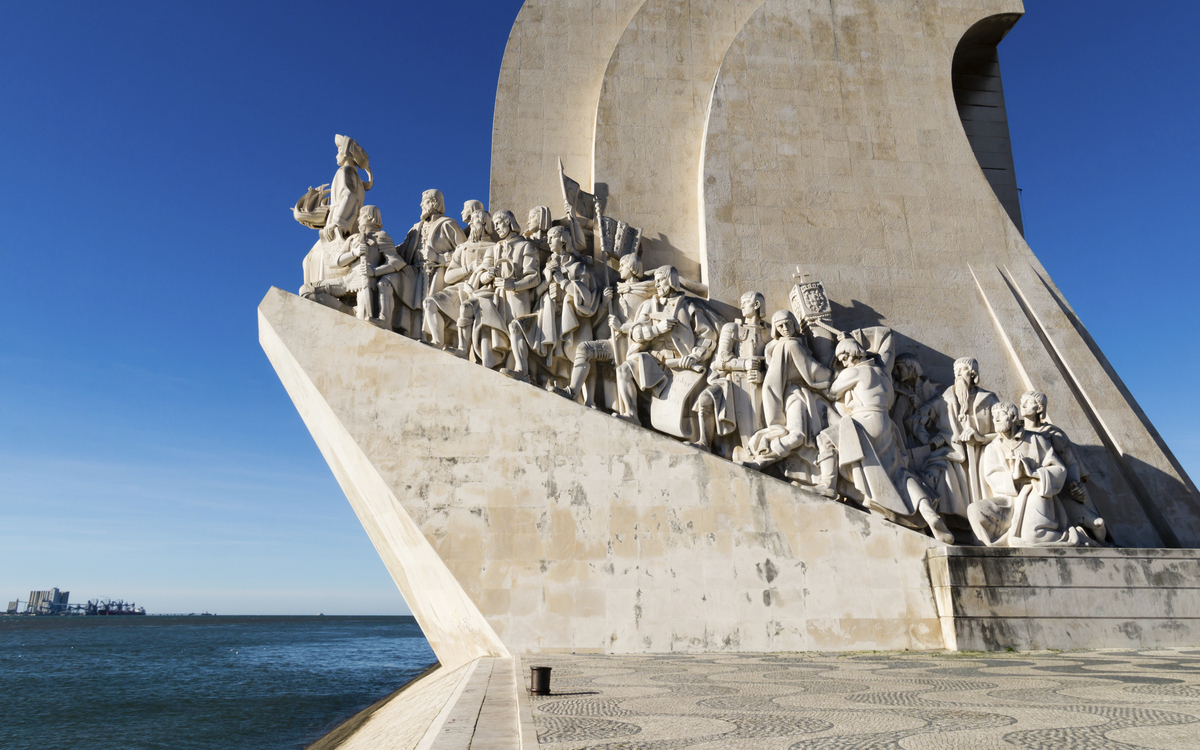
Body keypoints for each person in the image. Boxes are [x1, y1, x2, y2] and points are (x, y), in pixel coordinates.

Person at [814, 339, 954, 544]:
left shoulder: (853, 372)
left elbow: (832, 392)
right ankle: (929, 513)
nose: (843, 362)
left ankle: (828, 484)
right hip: (887, 426)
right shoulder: (883, 374)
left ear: (854, 354)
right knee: (899, 474)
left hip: (865, 421)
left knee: (825, 438)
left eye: (844, 357)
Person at [969, 401, 1098, 547]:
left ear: (1012, 417)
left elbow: (1059, 469)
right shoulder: (992, 447)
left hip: (1035, 492)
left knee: (1034, 536)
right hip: (1009, 500)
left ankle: (1072, 536)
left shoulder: (1036, 439)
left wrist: (1033, 474)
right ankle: (993, 552)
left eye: (1001, 414)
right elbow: (992, 476)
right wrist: (1014, 477)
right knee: (975, 511)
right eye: (994, 416)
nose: (996, 419)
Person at [613, 266, 720, 425]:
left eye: (660, 280)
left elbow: (707, 336)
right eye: (655, 281)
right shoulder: (650, 305)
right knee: (623, 369)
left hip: (678, 363)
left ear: (671, 280)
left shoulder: (689, 306)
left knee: (673, 417)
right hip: (653, 359)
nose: (656, 285)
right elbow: (636, 332)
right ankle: (631, 414)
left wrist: (694, 356)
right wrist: (657, 329)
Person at [740, 310, 833, 484]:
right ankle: (760, 461)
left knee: (804, 437)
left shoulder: (777, 346)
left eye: (787, 323)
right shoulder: (791, 345)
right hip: (795, 394)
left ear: (794, 323)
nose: (784, 328)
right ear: (775, 328)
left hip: (795, 395)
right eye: (780, 325)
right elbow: (814, 372)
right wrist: (835, 374)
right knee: (798, 435)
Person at [506, 225, 601, 387]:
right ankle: (523, 371)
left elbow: (586, 297)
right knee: (516, 326)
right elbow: (534, 296)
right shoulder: (548, 267)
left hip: (571, 318)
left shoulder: (579, 267)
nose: (547, 241)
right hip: (545, 318)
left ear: (563, 240)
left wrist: (563, 282)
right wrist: (547, 280)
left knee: (582, 355)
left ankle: (587, 398)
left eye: (552, 237)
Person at [560, 252, 655, 408]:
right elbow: (602, 321)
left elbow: (646, 324)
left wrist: (622, 327)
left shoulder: (645, 293)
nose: (620, 269)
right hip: (614, 342)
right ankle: (573, 391)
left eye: (623, 265)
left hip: (632, 345)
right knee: (584, 349)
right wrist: (605, 302)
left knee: (624, 376)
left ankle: (631, 413)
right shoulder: (618, 290)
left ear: (632, 267)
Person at [1020, 391, 1107, 543]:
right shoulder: (1018, 433)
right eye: (1022, 401)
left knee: (1097, 524)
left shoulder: (1052, 434)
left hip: (1060, 493)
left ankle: (1103, 546)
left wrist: (1074, 484)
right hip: (1036, 493)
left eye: (1028, 402)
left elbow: (1071, 462)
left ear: (1039, 408)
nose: (1023, 404)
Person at [692, 292, 769, 456]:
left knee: (754, 431)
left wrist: (762, 375)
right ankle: (704, 442)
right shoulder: (732, 328)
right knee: (705, 399)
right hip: (729, 383)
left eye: (745, 302)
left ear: (756, 305)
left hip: (757, 385)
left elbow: (776, 364)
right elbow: (721, 360)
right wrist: (744, 364)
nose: (741, 306)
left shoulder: (769, 332)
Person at [924, 357, 999, 524]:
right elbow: (916, 421)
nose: (957, 374)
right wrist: (931, 439)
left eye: (962, 370)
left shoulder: (989, 400)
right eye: (955, 371)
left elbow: (1002, 433)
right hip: (954, 456)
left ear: (973, 373)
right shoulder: (944, 399)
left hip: (982, 458)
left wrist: (979, 437)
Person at [422, 209, 494, 354]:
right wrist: (467, 269)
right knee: (429, 303)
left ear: (484, 223)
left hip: (482, 290)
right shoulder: (463, 248)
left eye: (474, 220)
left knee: (466, 309)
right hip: (460, 288)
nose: (471, 224)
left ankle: (463, 349)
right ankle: (437, 342)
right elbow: (448, 277)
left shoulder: (494, 247)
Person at [398, 190, 466, 316]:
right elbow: (401, 250)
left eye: (425, 201)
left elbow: (464, 253)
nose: (421, 205)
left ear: (434, 203)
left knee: (431, 309)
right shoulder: (416, 228)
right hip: (416, 275)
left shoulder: (448, 224)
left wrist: (438, 258)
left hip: (438, 275)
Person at [320, 135, 372, 243]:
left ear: (346, 153)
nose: (336, 156)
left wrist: (337, 222)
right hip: (353, 221)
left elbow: (350, 196)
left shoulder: (344, 170)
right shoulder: (357, 178)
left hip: (341, 220)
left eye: (338, 151)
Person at [890, 353, 942, 449]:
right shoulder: (895, 388)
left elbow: (941, 421)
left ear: (911, 368)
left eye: (899, 368)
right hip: (902, 442)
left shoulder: (934, 389)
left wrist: (921, 405)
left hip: (926, 442)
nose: (896, 373)